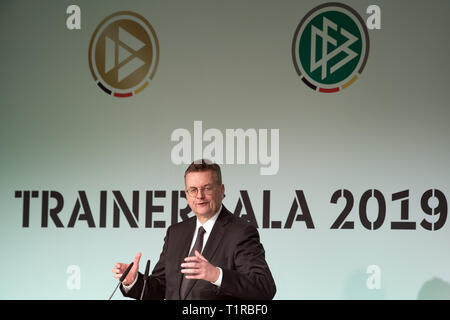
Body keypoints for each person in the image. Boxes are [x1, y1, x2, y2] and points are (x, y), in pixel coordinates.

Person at [112, 159, 276, 300]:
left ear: (222, 190)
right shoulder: (175, 233)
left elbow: (264, 287)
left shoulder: (240, 232)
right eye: (193, 190)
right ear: (186, 194)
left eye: (207, 188)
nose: (199, 196)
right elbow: (162, 287)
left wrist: (216, 275)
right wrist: (133, 281)